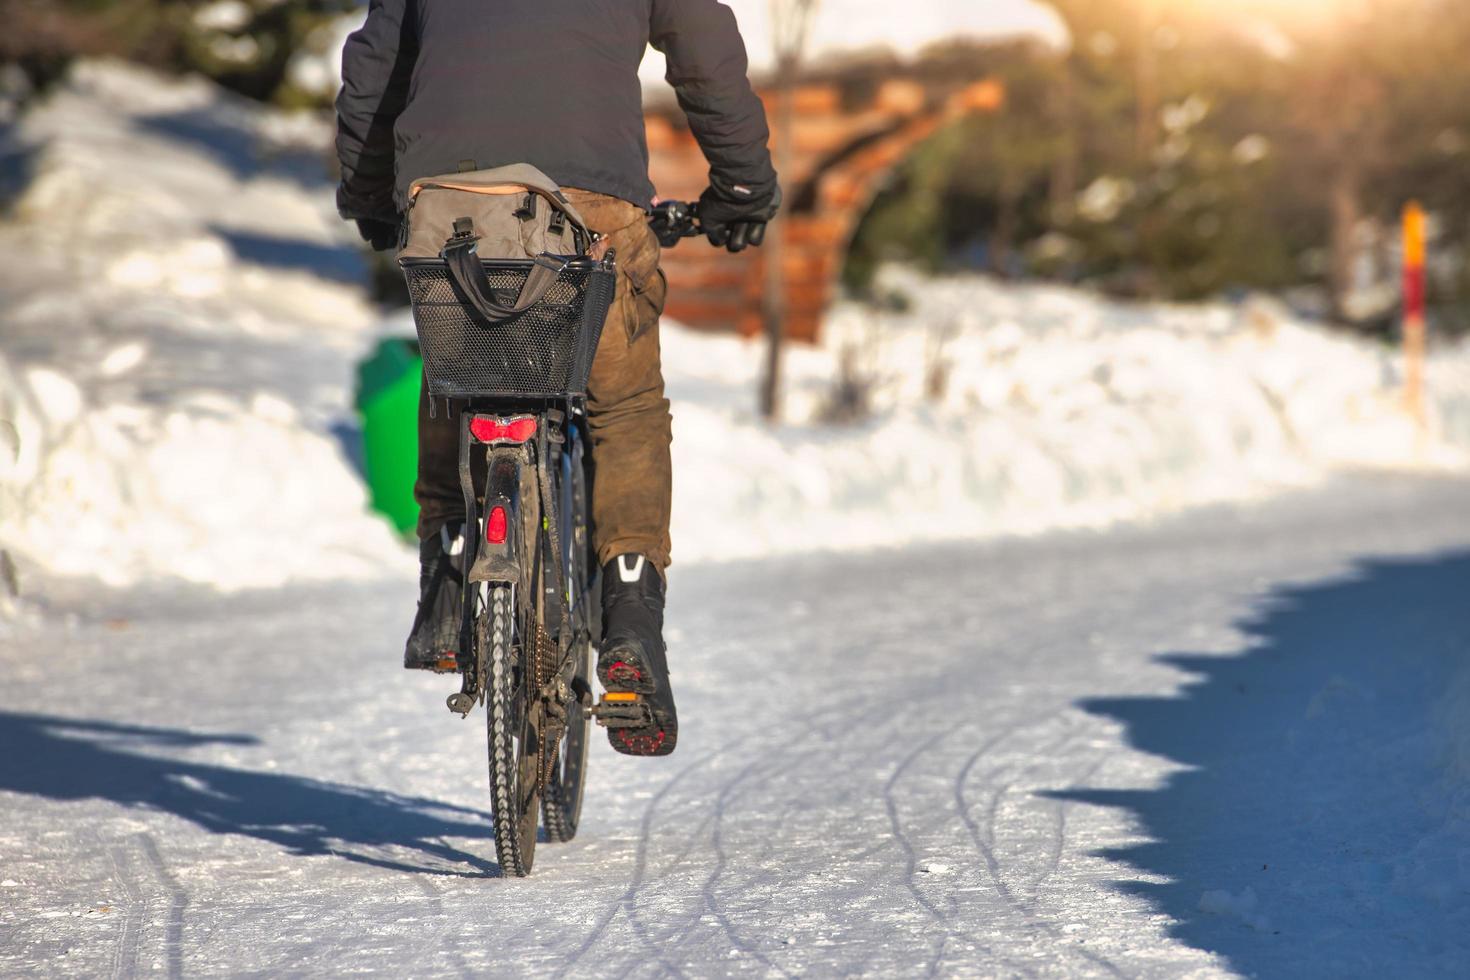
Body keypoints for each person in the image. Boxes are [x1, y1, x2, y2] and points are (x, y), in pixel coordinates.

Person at [335, 0, 779, 757]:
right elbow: (706, 54)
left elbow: (373, 68)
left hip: (451, 201)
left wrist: (370, 196)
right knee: (626, 403)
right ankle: (632, 620)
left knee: (453, 370)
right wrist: (741, 188)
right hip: (589, 208)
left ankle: (445, 572)